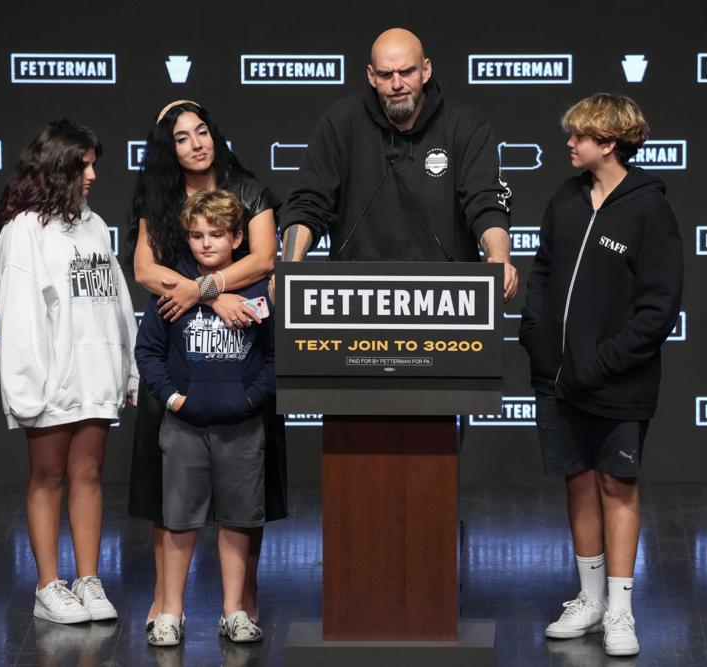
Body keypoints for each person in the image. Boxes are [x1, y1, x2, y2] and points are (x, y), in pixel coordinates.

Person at [519, 93, 683, 657]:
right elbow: (541, 271)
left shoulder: (649, 210)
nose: (569, 143)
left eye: (579, 136)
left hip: (619, 382)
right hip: (558, 381)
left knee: (617, 485)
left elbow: (659, 308)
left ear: (608, 143)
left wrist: (601, 363)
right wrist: (537, 341)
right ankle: (589, 600)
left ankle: (620, 609)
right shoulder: (566, 198)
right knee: (579, 482)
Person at [125, 100, 286, 635]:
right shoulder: (159, 197)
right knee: (169, 495)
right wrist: (206, 299)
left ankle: (240, 600)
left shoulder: (250, 190)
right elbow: (146, 270)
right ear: (166, 150)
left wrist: (204, 288)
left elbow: (263, 262)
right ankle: (165, 601)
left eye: (202, 132)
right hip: (179, 369)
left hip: (238, 375)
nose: (196, 143)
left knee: (245, 495)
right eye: (181, 137)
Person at [0, 119, 138, 624]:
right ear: (58, 166)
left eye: (94, 163)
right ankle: (48, 586)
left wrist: (129, 369)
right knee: (49, 476)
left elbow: (116, 302)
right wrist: (27, 388)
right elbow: (18, 314)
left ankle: (88, 580)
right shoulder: (23, 231)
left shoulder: (95, 225)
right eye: (84, 164)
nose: (93, 174)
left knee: (88, 475)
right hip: (51, 380)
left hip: (97, 374)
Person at [279, 27, 518, 301]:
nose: (396, 84)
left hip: (447, 299)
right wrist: (288, 270)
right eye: (385, 74)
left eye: (406, 72)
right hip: (355, 297)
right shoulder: (341, 123)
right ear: (371, 75)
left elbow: (486, 203)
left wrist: (499, 261)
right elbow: (308, 204)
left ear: (426, 70)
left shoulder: (465, 126)